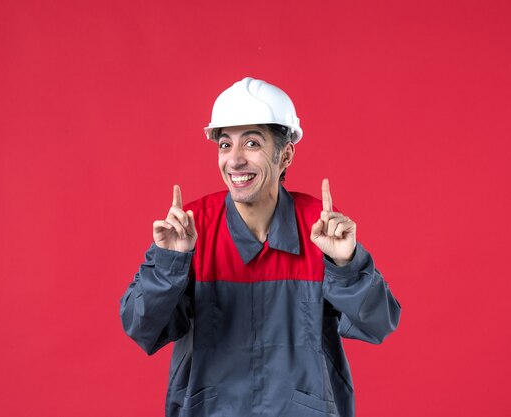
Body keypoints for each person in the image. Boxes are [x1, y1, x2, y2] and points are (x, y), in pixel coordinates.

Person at [120, 77, 401, 417]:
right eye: (225, 145)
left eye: (251, 143)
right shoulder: (190, 230)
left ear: (285, 154)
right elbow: (142, 328)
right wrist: (170, 263)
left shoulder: (320, 228)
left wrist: (347, 266)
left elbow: (379, 323)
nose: (234, 160)